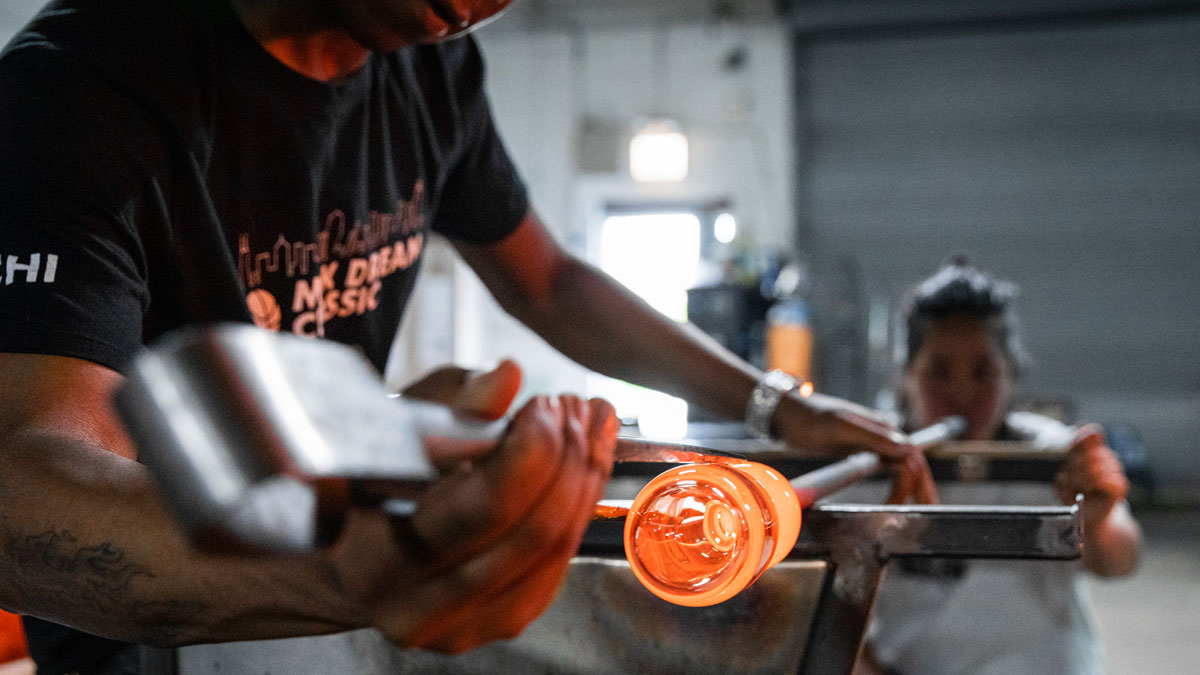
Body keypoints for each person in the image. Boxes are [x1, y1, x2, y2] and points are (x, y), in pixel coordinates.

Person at [0, 1, 934, 673]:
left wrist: (775, 405)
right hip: (159, 628)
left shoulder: (427, 67)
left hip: (344, 601)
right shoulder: (81, 92)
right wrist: (333, 559)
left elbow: (552, 281)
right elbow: (25, 476)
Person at [858, 257, 1142, 675]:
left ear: (1012, 375)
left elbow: (1121, 559)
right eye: (938, 372)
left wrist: (1097, 520)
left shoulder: (1054, 458)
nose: (961, 393)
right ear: (906, 378)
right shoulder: (872, 465)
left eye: (983, 373)